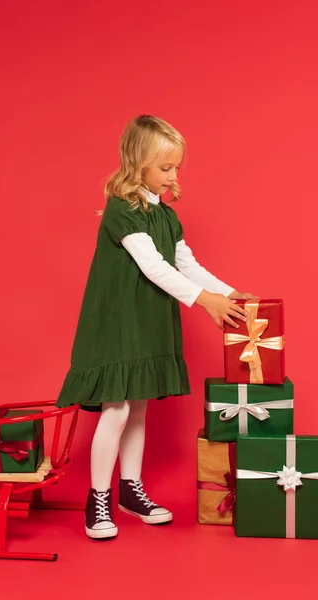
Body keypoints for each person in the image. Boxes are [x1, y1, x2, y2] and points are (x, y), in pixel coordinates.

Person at [56, 115, 254, 540]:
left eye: (177, 167)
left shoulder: (165, 215)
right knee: (117, 408)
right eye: (165, 167)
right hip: (117, 321)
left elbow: (186, 264)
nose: (173, 176)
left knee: (139, 405)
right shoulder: (122, 210)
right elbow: (153, 266)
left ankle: (131, 489)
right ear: (138, 162)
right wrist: (206, 303)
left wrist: (234, 296)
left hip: (148, 320)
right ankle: (99, 498)